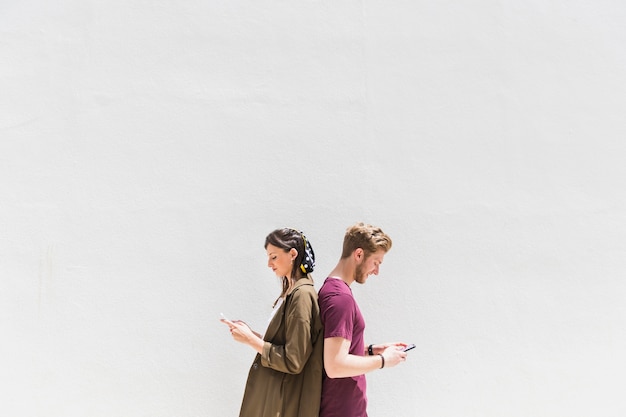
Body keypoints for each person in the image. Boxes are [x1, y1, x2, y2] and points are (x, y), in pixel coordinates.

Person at [220, 228, 323, 417]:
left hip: (282, 402)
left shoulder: (301, 295)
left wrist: (251, 341)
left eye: (274, 257)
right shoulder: (292, 292)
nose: (269, 264)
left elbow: (294, 360)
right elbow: (284, 343)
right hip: (275, 396)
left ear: (292, 254)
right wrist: (250, 334)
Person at [318, 222, 409, 417]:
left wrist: (369, 350)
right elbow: (334, 365)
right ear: (358, 254)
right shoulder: (340, 298)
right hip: (341, 411)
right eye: (376, 262)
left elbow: (336, 349)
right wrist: (383, 360)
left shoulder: (335, 292)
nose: (376, 271)